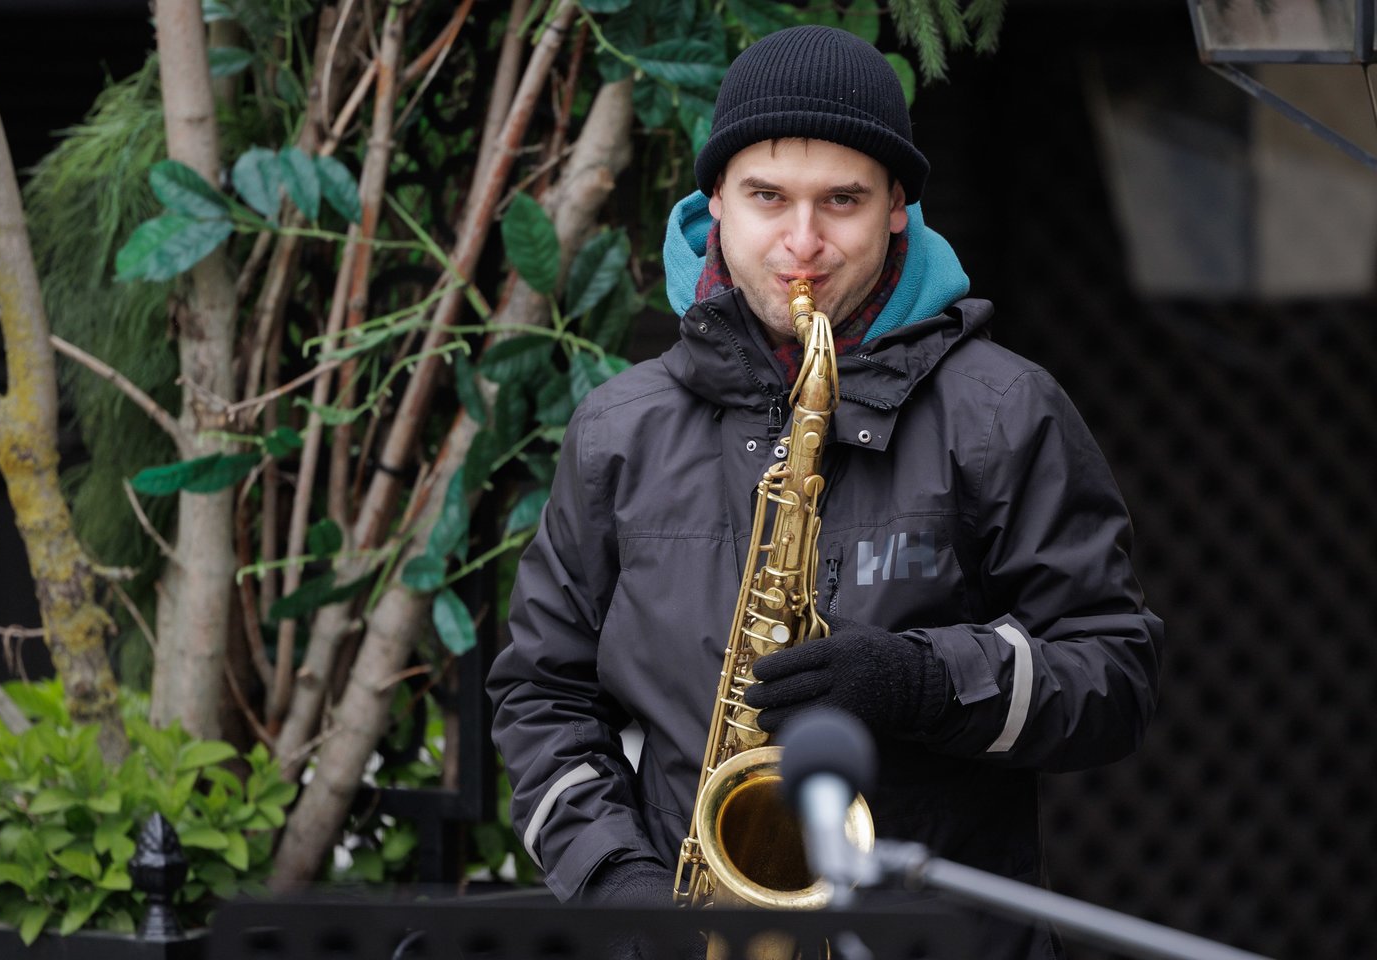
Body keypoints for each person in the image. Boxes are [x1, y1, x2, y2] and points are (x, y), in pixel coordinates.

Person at [487, 24, 1162, 960]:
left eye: (842, 200)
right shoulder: (617, 430)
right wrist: (619, 885)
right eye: (768, 196)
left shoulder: (1006, 410)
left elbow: (1115, 675)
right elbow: (539, 696)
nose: (802, 243)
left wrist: (922, 682)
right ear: (715, 201)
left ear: (897, 207)